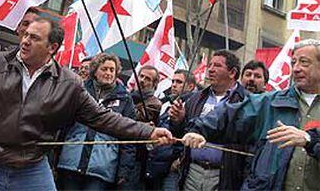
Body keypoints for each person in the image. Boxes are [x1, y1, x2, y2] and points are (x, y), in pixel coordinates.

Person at [0, 18, 173, 190]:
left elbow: (103, 118)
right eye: (26, 34)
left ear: (52, 48)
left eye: (34, 38)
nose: (25, 41)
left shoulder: (69, 84)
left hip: (31, 167)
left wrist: (150, 131)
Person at [181, 39, 320, 190]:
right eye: (293, 63)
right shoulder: (271, 103)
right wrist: (199, 130)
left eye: (304, 62)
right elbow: (231, 115)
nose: (296, 68)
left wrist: (309, 140)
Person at [169, 50, 249, 191]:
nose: (210, 69)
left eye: (217, 65)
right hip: (192, 171)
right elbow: (182, 134)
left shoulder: (246, 102)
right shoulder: (195, 99)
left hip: (224, 175)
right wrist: (179, 120)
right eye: (210, 65)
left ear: (232, 72)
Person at [57, 53, 139, 189]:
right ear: (95, 71)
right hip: (70, 163)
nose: (108, 73)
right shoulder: (78, 91)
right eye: (104, 69)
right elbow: (65, 125)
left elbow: (128, 138)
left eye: (112, 70)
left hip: (101, 169)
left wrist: (124, 171)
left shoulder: (125, 99)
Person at [128, 65, 162, 190]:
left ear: (154, 84)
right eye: (141, 76)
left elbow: (132, 118)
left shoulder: (154, 103)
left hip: (136, 157)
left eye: (147, 79)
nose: (142, 80)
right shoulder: (129, 96)